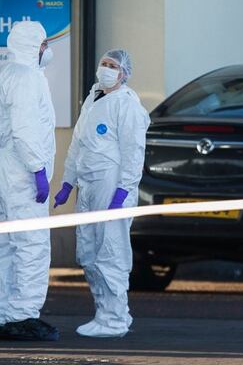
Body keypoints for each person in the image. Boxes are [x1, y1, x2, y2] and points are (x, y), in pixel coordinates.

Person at [53, 48, 150, 338]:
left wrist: (124, 190)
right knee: (89, 251)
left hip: (111, 186)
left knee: (111, 253)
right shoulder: (94, 99)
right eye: (104, 63)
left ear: (124, 74)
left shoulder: (127, 105)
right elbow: (77, 145)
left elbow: (134, 152)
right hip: (89, 186)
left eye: (113, 65)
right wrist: (68, 182)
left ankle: (116, 319)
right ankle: (102, 313)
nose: (106, 69)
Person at [0, 20, 59, 341]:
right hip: (22, 169)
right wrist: (38, 170)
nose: (47, 50)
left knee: (9, 246)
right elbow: (26, 128)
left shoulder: (9, 73)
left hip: (5, 164)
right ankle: (23, 315)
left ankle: (1, 316)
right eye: (43, 44)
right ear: (34, 46)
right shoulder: (28, 79)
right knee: (31, 245)